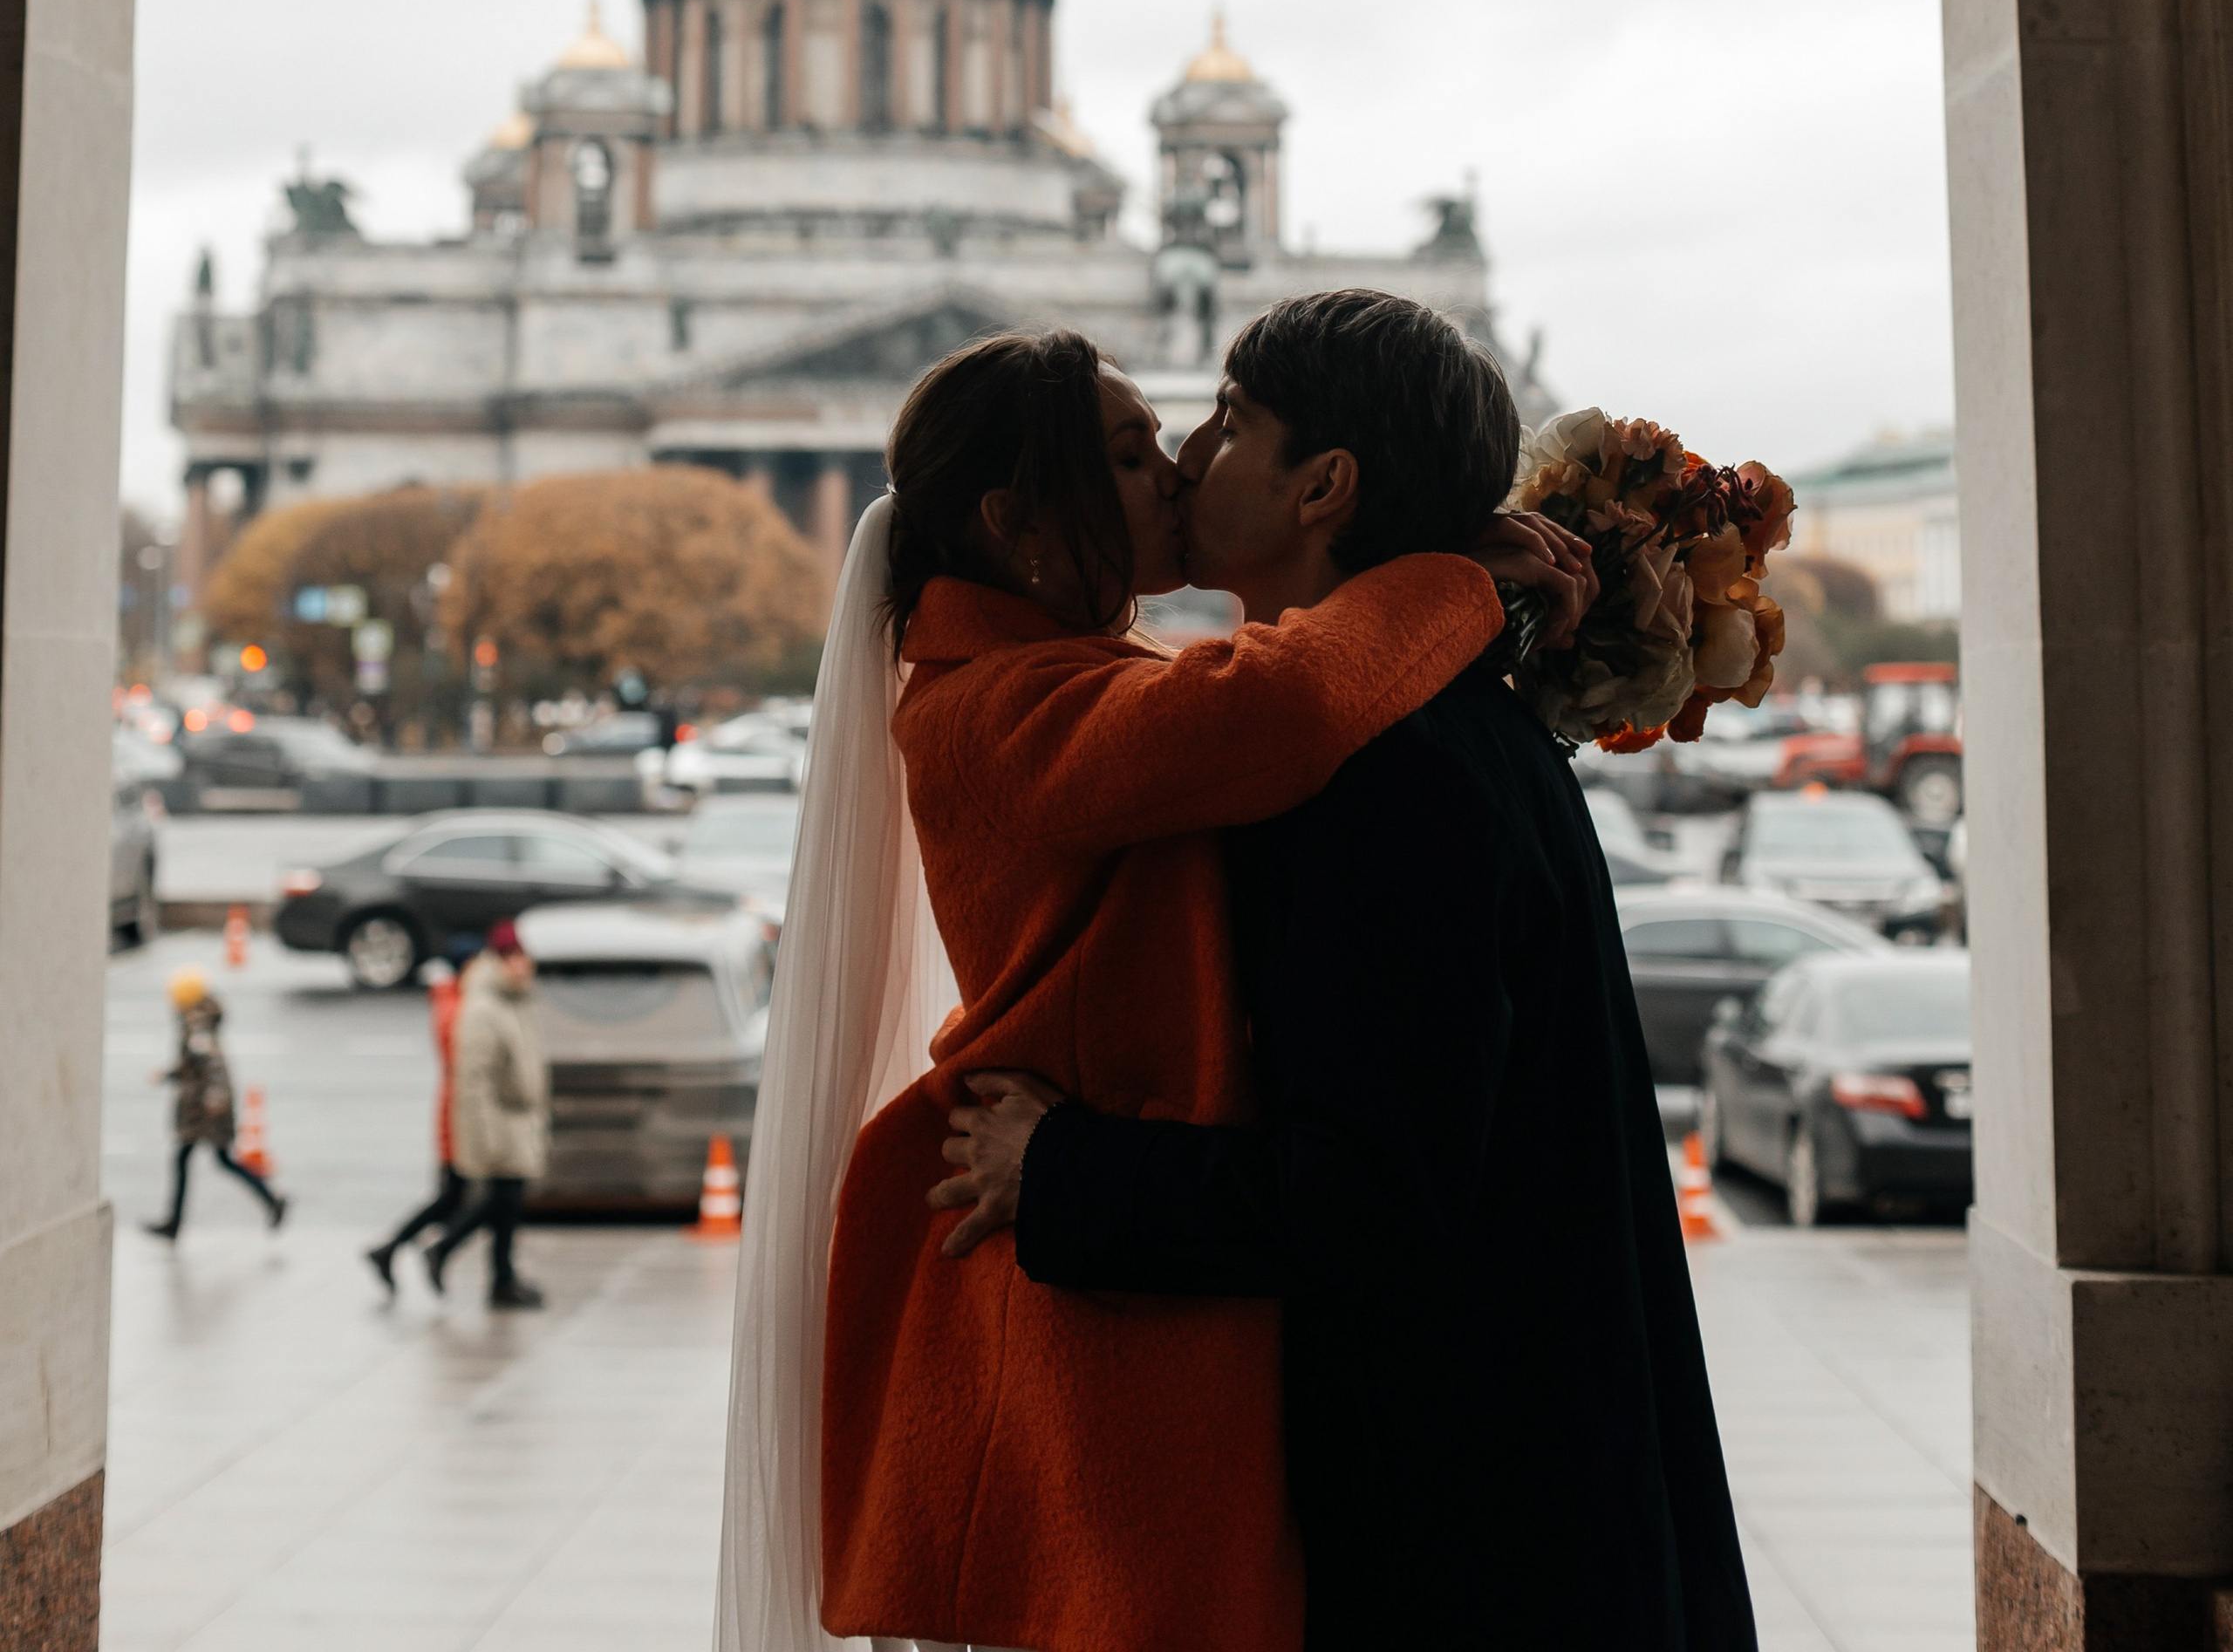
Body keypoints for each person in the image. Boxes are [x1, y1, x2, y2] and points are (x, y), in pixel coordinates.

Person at [718, 322, 1588, 1652]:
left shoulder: (1072, 682)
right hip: (1107, 1311)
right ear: (1018, 522)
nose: (1177, 468)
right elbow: (1281, 707)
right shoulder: (989, 712)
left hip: (1140, 1260)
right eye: (1131, 453)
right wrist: (1459, 578)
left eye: (1188, 432)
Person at [940, 292, 1757, 1651]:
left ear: (1324, 486)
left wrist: (1063, 1171)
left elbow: (1373, 1195)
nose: (1190, 460)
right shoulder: (1429, 728)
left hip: (1461, 1552)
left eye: (1227, 424)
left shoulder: (1385, 776)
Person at [427, 920, 549, 1310]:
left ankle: (501, 1277)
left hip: (516, 1120)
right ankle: (450, 1252)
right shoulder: (483, 1007)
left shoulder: (513, 1000)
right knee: (502, 1201)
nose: (524, 964)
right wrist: (485, 1137)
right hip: (500, 1123)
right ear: (500, 960)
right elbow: (474, 1081)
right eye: (515, 957)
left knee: (508, 1204)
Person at [365, 933, 479, 1294]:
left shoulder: (455, 1001)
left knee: (453, 1198)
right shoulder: (455, 1007)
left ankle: (392, 1249)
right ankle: (411, 1249)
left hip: (459, 1112)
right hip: (459, 1116)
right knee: (464, 1198)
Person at [142, 968, 286, 1237]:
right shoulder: (199, 1018)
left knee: (205, 1159)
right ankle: (270, 1200)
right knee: (205, 1159)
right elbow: (194, 1066)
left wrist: (215, 1097)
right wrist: (169, 1075)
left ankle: (175, 1223)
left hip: (205, 1110)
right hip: (203, 1107)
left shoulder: (196, 1022)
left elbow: (211, 1064)